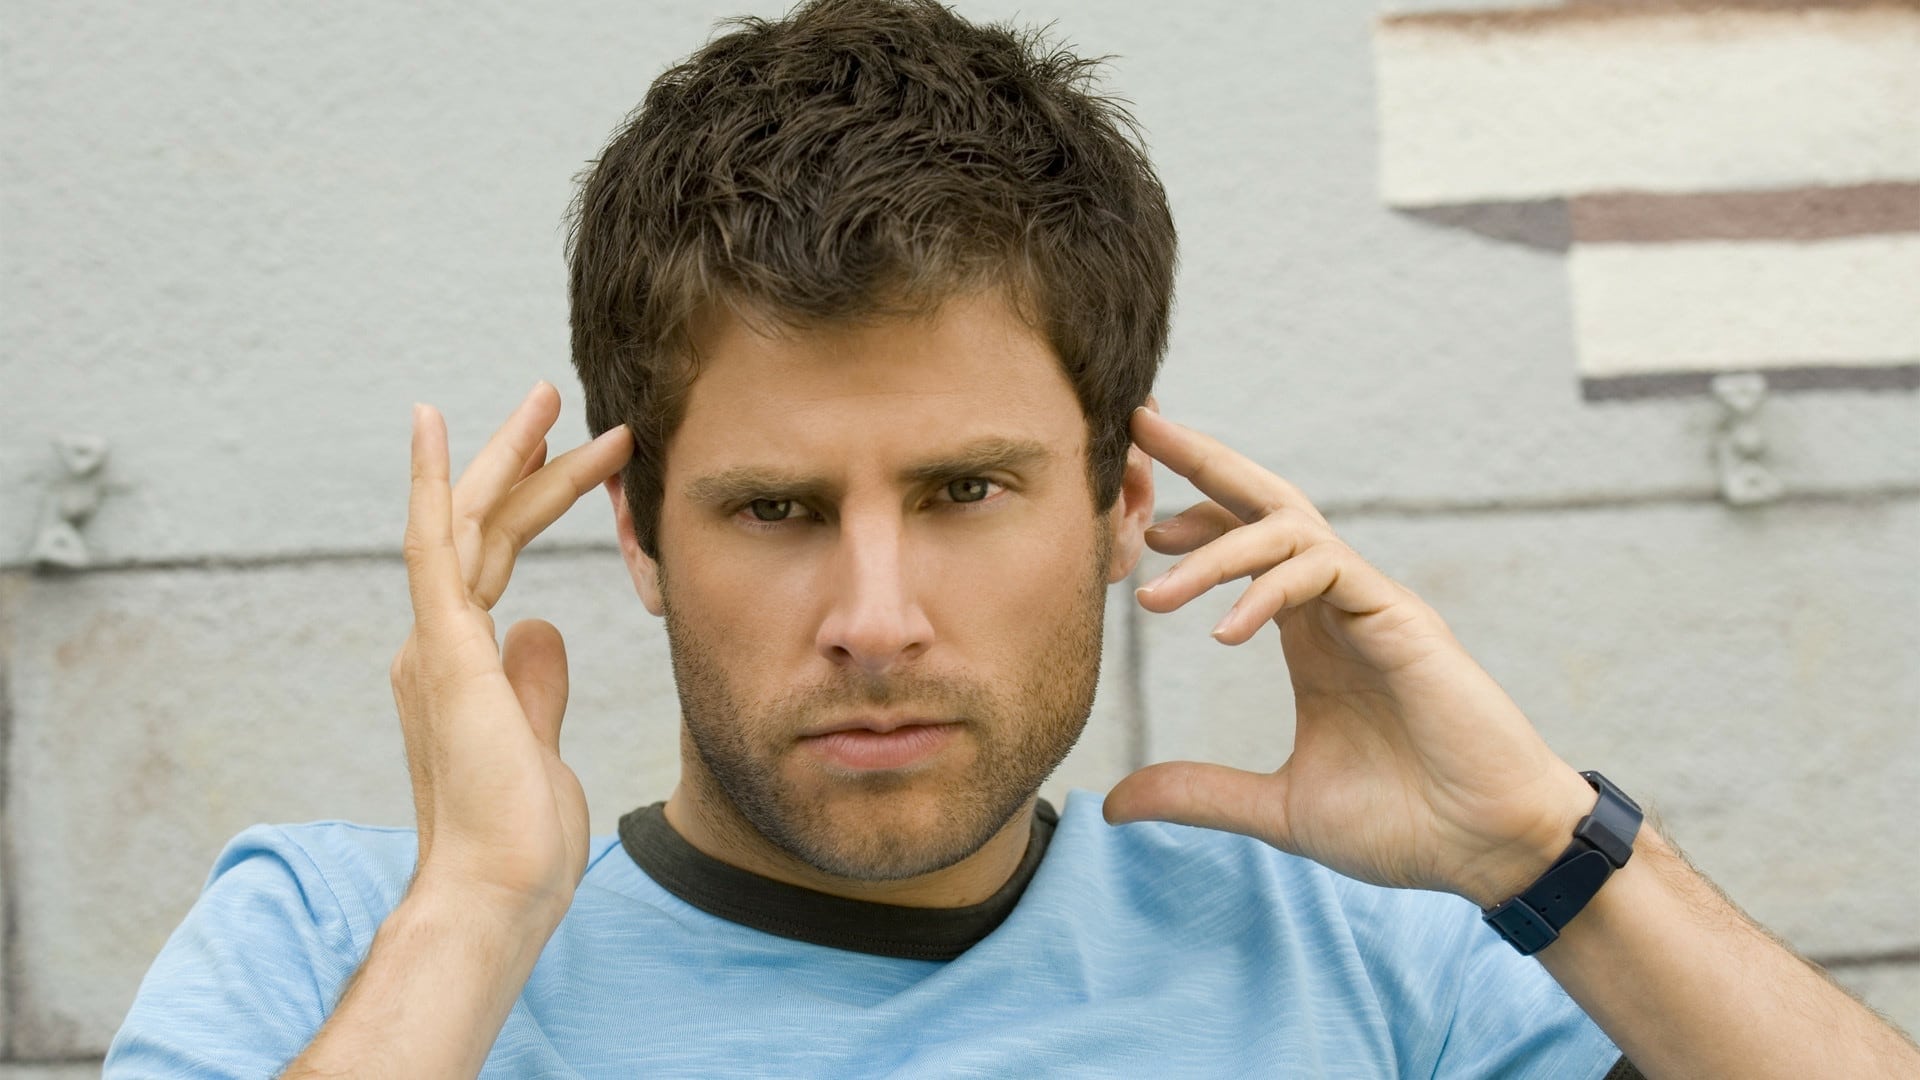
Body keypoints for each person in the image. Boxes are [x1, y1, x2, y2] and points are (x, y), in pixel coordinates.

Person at [108, 1, 1917, 1076]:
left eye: (965, 492)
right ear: (639, 537)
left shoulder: (1381, 959)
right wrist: (481, 914)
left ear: (1122, 507)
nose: (875, 618)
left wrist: (1544, 849)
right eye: (777, 509)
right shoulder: (337, 949)